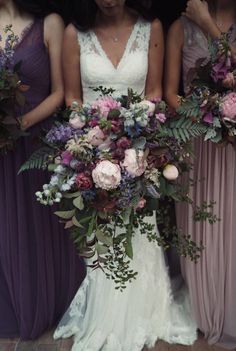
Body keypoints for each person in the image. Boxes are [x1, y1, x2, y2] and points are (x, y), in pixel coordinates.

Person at [53, 1, 197, 350]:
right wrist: (92, 141)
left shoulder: (153, 29)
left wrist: (132, 139)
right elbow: (72, 98)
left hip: (136, 146)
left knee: (140, 228)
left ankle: (146, 308)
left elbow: (154, 93)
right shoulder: (75, 34)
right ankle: (106, 311)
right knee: (103, 229)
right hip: (93, 148)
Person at [0, 0, 85, 340]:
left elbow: (60, 93)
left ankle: (46, 301)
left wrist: (19, 123)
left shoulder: (48, 22)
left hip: (35, 141)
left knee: (40, 224)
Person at [165, 0, 236, 348]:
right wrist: (205, 116)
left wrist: (208, 24)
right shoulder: (180, 26)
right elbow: (169, 93)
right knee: (203, 223)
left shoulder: (201, 23)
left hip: (233, 144)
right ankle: (205, 304)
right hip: (196, 140)